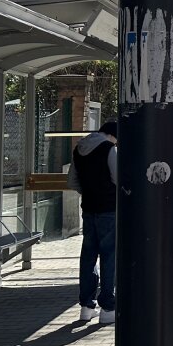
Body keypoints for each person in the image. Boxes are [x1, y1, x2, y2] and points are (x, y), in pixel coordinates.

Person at [66, 120, 118, 325]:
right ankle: (108, 307)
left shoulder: (79, 149)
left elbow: (72, 181)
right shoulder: (109, 149)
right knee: (109, 256)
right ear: (113, 136)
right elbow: (118, 177)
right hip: (109, 210)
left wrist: (88, 192)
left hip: (88, 209)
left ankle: (86, 307)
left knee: (88, 256)